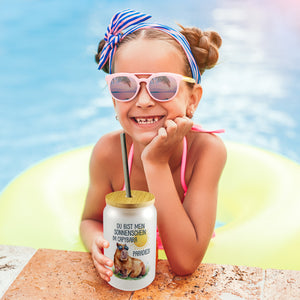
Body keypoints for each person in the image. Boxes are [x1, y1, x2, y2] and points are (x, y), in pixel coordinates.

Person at [80, 9, 227, 282]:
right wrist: (96, 241)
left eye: (162, 85)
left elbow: (184, 263)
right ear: (114, 100)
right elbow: (90, 220)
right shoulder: (108, 152)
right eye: (125, 86)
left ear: (193, 99)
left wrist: (155, 162)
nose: (144, 100)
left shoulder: (206, 151)